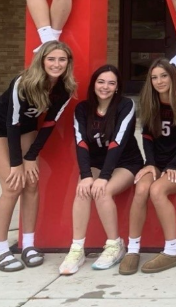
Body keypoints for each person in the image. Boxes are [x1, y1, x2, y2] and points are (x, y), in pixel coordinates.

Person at [0, 41, 75, 272]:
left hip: (26, 129)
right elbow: (12, 122)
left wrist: (31, 157)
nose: (56, 64)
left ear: (68, 63)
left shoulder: (65, 89)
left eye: (62, 59)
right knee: (13, 186)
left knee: (32, 183)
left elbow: (49, 124)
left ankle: (28, 245)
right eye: (51, 59)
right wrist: (16, 164)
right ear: (42, 60)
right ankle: (0, 250)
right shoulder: (23, 82)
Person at [59, 65, 143, 275]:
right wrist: (87, 176)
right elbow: (81, 143)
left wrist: (104, 177)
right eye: (101, 82)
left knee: (103, 192)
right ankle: (77, 248)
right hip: (96, 163)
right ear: (94, 84)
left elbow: (118, 142)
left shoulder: (126, 105)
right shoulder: (82, 109)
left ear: (117, 87)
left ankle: (115, 245)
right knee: (83, 190)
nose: (105, 87)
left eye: (111, 83)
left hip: (125, 162)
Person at [119, 59, 176, 274]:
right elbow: (146, 136)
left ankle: (173, 250)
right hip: (157, 162)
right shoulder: (149, 102)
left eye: (163, 76)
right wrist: (152, 164)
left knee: (157, 190)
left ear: (173, 77)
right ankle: (133, 249)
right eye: (154, 77)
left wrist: (172, 165)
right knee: (141, 188)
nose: (159, 81)